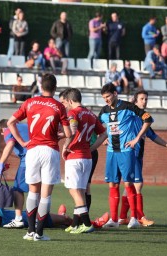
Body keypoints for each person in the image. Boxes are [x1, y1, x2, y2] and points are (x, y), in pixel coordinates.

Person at [7, 74, 71, 241]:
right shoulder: (58, 106)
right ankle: (40, 234)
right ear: (55, 88)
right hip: (49, 150)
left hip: (32, 151)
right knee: (45, 195)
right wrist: (60, 136)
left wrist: (21, 141)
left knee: (33, 193)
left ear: (41, 86)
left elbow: (10, 122)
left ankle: (29, 232)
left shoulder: (29, 102)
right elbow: (69, 133)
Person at [98, 83, 153, 229]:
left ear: (115, 94)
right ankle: (114, 220)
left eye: (108, 96)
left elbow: (148, 119)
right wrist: (103, 138)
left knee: (128, 184)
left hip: (126, 151)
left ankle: (134, 218)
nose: (106, 100)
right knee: (113, 184)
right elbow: (96, 127)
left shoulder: (128, 107)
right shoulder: (103, 111)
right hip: (111, 152)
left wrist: (136, 138)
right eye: (104, 97)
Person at [118, 90, 167, 227]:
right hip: (131, 154)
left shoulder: (143, 118)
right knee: (137, 185)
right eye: (142, 99)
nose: (145, 101)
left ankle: (122, 217)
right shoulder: (130, 115)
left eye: (146, 99)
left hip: (136, 156)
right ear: (135, 100)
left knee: (129, 186)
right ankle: (140, 217)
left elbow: (152, 135)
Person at [60, 88, 107, 234]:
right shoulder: (91, 114)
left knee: (74, 191)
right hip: (87, 157)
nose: (64, 106)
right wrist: (92, 147)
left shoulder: (73, 113)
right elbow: (104, 134)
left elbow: (72, 130)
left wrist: (65, 146)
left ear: (70, 100)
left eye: (64, 103)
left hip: (75, 157)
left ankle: (86, 223)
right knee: (80, 191)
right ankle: (75, 224)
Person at [0, 119, 30, 228]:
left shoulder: (8, 128)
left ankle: (18, 219)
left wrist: (0, 164)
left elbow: (10, 144)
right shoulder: (26, 126)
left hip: (29, 158)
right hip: (44, 156)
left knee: (17, 189)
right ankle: (38, 218)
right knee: (37, 189)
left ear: (2, 130)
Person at [0, 204, 73, 228]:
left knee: (62, 225)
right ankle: (85, 223)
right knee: (67, 220)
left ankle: (61, 217)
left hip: (31, 215)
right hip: (35, 218)